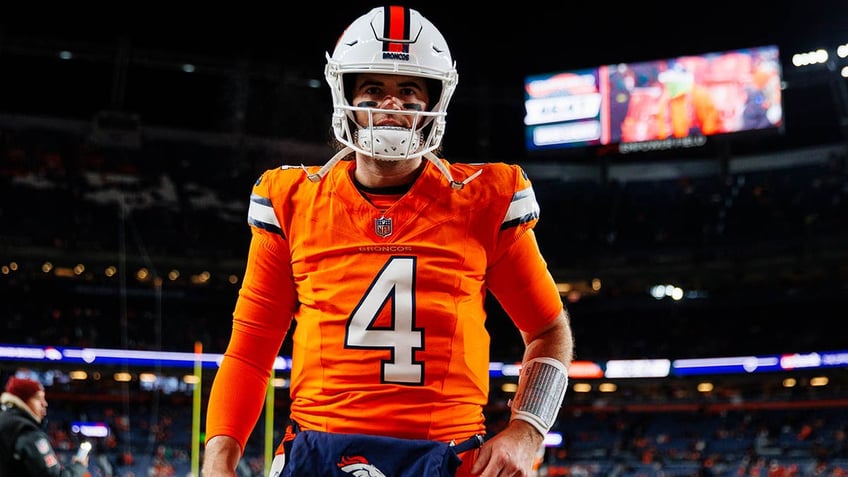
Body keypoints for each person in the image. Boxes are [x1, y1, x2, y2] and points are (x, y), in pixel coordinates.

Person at [202, 5, 574, 477]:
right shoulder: (292, 200)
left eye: (409, 90)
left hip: (446, 454)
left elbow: (547, 330)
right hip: (318, 453)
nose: (391, 106)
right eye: (374, 89)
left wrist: (527, 430)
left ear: (434, 102)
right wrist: (218, 462)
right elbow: (250, 350)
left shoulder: (485, 200)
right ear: (346, 96)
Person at [0, 376, 91, 477]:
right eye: (39, 398)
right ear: (23, 400)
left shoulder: (5, 422)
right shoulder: (27, 432)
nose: (45, 404)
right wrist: (79, 466)